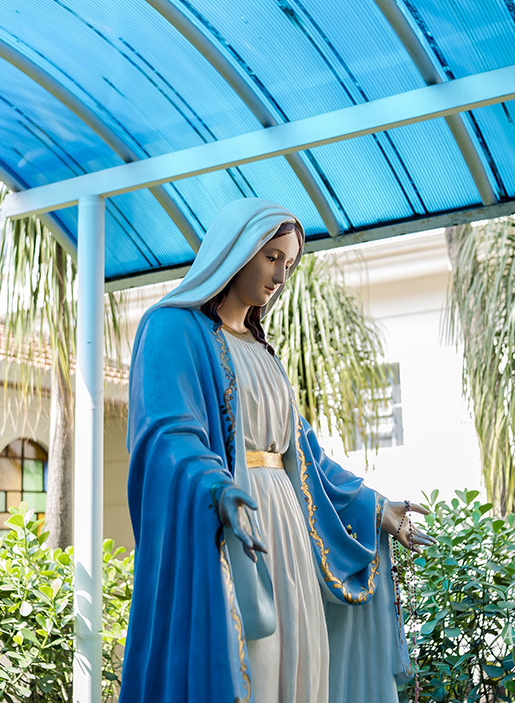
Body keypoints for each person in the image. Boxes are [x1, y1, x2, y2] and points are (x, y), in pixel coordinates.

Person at [120, 198, 432, 703]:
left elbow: (306, 457)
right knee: (253, 663)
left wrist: (376, 507)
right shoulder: (171, 328)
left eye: (289, 264)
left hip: (285, 529)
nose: (280, 276)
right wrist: (216, 488)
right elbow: (168, 433)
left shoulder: (264, 352)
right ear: (236, 251)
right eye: (271, 258)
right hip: (234, 524)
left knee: (302, 660)